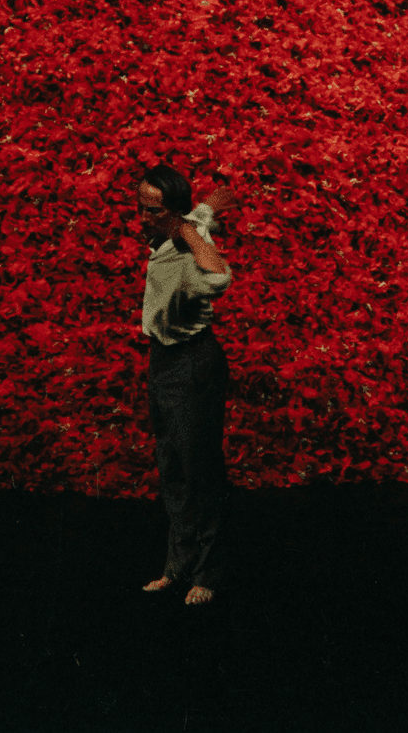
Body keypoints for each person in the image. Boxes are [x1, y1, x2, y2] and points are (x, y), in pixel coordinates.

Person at [136, 165, 239, 606]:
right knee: (173, 467)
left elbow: (219, 276)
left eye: (152, 211)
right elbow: (199, 214)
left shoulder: (187, 245)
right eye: (140, 206)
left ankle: (207, 573)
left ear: (171, 213)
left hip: (191, 363)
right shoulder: (178, 227)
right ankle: (177, 566)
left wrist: (195, 235)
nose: (143, 217)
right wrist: (206, 210)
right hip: (163, 362)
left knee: (198, 471)